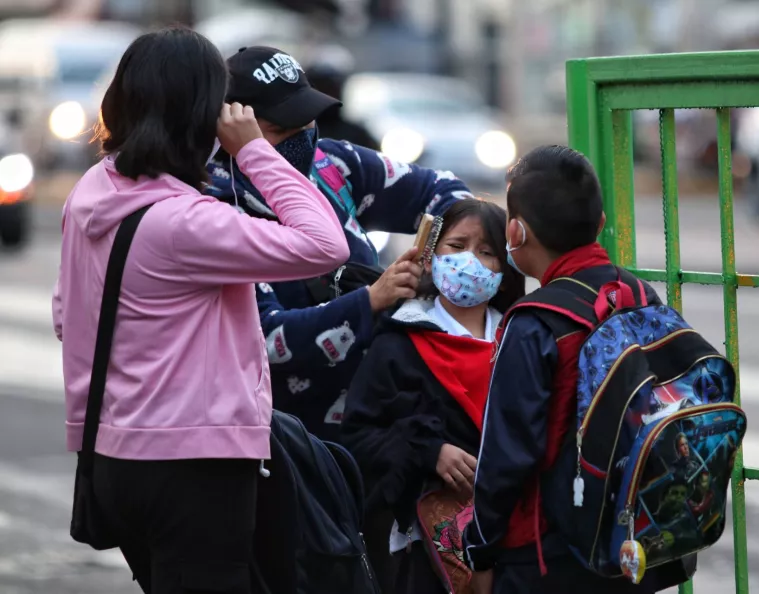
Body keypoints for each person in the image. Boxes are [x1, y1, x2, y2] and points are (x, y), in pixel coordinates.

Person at [53, 28, 348, 594]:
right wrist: (254, 150)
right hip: (194, 466)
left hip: (111, 457)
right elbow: (324, 243)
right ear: (202, 116)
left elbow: (66, 315)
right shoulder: (187, 222)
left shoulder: (91, 191)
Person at [205, 45, 473, 443]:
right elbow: (265, 339)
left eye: (307, 119)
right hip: (284, 442)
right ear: (231, 125)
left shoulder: (331, 164)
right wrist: (370, 301)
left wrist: (438, 254)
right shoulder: (215, 205)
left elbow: (445, 191)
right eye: (282, 128)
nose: (302, 137)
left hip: (374, 426)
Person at [461, 146, 665, 594]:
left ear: (515, 231)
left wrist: (479, 551)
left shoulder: (533, 323)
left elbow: (506, 456)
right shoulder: (639, 294)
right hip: (633, 533)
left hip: (548, 553)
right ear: (601, 223)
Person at [342, 198, 525, 594]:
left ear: (505, 268)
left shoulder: (520, 340)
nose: (469, 261)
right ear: (431, 257)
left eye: (487, 251)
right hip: (426, 551)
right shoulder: (399, 341)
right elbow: (358, 436)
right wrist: (429, 452)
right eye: (456, 246)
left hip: (518, 538)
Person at [305, 44, 380, 150]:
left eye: (331, 88)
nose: (326, 94)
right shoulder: (298, 132)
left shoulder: (357, 135)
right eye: (320, 86)